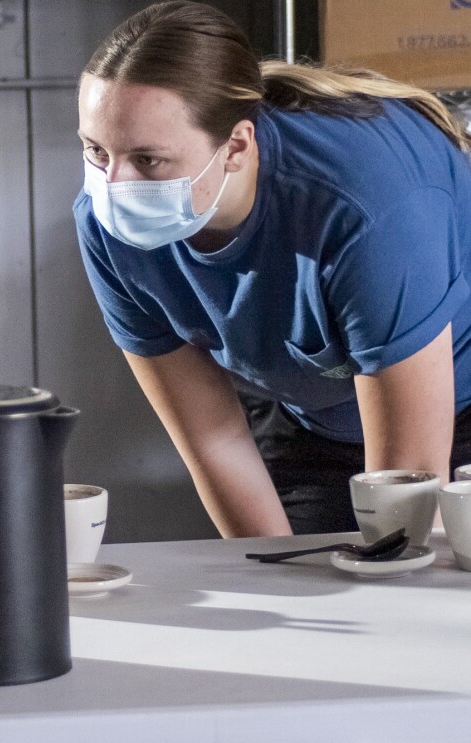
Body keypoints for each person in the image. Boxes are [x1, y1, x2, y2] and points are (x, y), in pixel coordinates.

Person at [74, 1, 471, 537]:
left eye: (148, 160)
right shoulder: (108, 226)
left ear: (236, 145)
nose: (114, 185)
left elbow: (408, 482)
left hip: (456, 407)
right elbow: (213, 441)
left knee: (430, 597)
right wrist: (271, 573)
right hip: (313, 417)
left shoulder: (363, 206)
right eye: (96, 150)